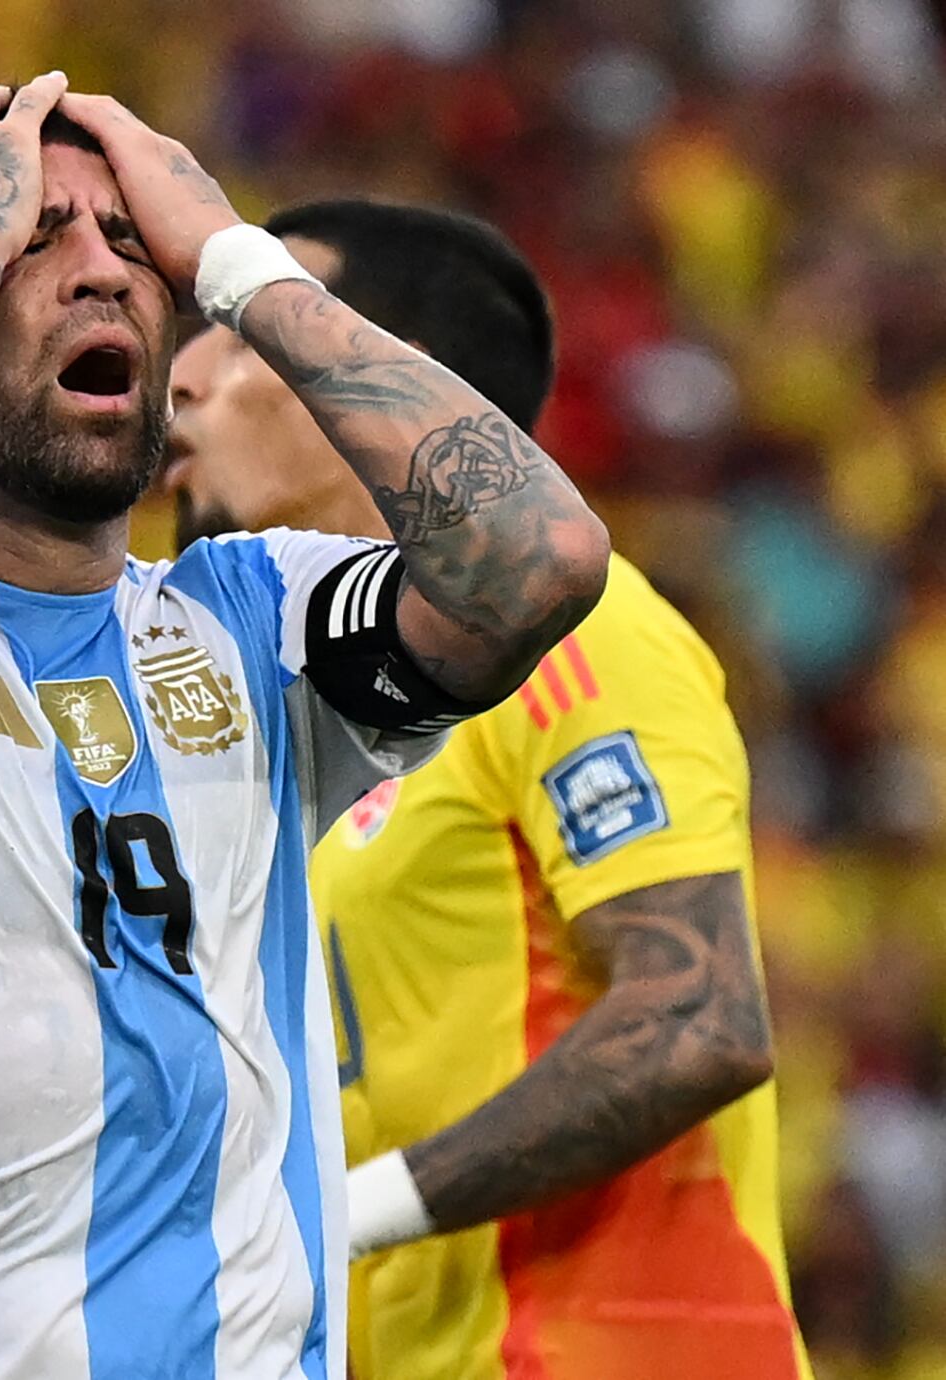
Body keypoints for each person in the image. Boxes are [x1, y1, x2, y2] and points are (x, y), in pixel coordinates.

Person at [0, 75, 609, 1377]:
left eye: (130, 244)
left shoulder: (254, 621)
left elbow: (539, 556)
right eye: (30, 239)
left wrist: (229, 258)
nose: (101, 274)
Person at [166, 198, 812, 1380]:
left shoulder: (576, 629)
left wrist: (342, 1215)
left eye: (241, 337)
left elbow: (696, 1019)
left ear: (380, 381)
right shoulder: (273, 708)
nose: (184, 381)